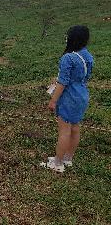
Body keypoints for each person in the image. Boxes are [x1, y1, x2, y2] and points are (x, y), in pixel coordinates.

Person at [43, 25, 94, 172]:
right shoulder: (87, 55)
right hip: (82, 95)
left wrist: (53, 100)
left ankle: (58, 163)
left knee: (64, 130)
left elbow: (63, 82)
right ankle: (68, 158)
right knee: (75, 128)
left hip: (69, 97)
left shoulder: (68, 58)